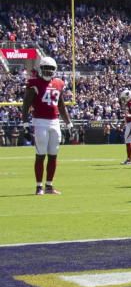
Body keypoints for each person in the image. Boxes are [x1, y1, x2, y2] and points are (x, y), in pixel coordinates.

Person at [22, 56, 72, 195]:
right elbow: (26, 104)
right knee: (40, 154)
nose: (48, 71)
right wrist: (25, 124)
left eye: (51, 69)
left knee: (53, 155)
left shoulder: (59, 83)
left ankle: (49, 185)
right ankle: (39, 186)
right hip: (40, 121)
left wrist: (68, 123)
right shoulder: (34, 83)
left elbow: (61, 105)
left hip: (55, 122)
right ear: (40, 69)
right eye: (46, 68)